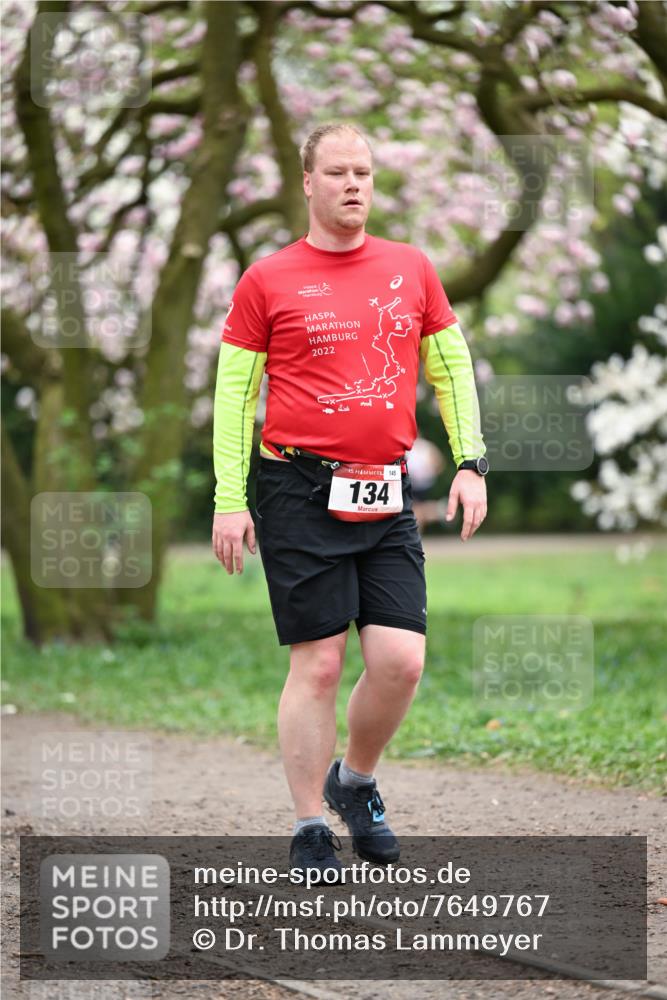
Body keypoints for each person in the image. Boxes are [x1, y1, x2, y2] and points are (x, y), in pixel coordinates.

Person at [212, 123, 488, 883]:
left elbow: (451, 369)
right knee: (321, 663)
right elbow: (235, 397)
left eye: (363, 171)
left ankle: (353, 783)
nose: (353, 184)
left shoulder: (410, 269)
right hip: (296, 488)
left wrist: (469, 461)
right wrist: (228, 498)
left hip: (384, 485)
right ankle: (308, 825)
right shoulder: (265, 279)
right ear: (307, 182)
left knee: (401, 661)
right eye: (336, 172)